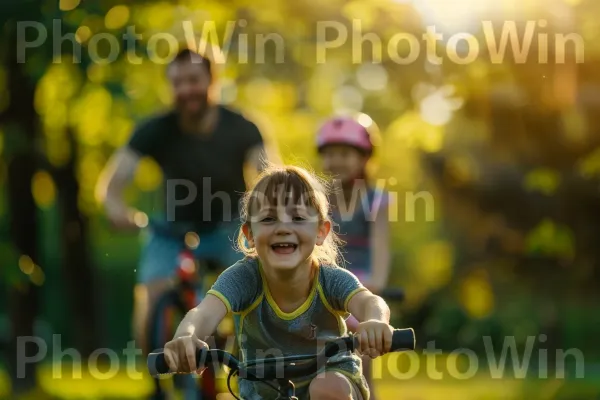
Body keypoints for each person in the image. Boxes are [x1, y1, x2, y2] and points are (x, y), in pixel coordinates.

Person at [95, 46, 277, 358]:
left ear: (213, 80)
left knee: (251, 294)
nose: (185, 90)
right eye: (177, 83)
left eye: (193, 80)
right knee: (151, 297)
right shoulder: (155, 129)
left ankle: (253, 365)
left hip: (230, 228)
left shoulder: (243, 127)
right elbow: (112, 183)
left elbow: (270, 179)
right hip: (171, 230)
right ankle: (156, 376)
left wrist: (268, 214)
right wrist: (117, 209)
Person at [162, 164, 396, 400]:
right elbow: (203, 313)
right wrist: (185, 337)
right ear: (250, 234)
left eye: (297, 217)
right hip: (262, 389)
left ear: (321, 231)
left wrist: (375, 322)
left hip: (333, 378)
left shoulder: (329, 278)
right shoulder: (244, 278)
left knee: (327, 389)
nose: (283, 227)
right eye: (268, 218)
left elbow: (369, 302)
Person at [315, 115, 391, 400]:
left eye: (345, 154)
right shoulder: (315, 198)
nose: (337, 162)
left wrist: (377, 286)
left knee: (362, 360)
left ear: (364, 157)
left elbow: (381, 248)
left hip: (361, 286)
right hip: (322, 282)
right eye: (330, 154)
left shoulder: (376, 200)